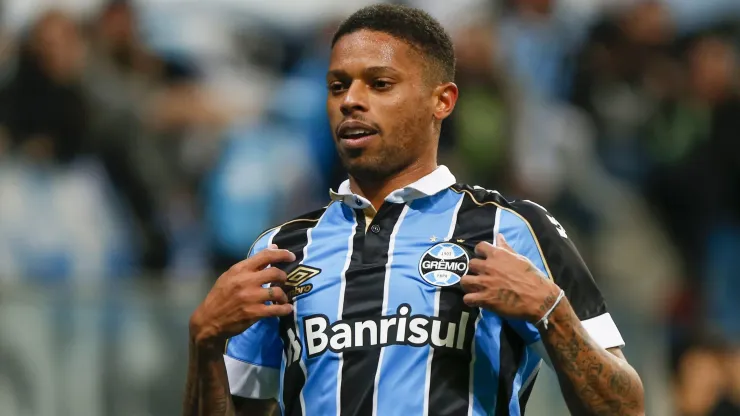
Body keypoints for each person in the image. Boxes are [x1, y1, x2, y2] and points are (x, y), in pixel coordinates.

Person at [183, 4, 645, 416]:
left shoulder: (513, 228)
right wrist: (205, 343)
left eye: (379, 84)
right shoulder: (281, 250)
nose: (351, 100)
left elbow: (625, 409)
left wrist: (551, 311)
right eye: (338, 85)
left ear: (441, 101)